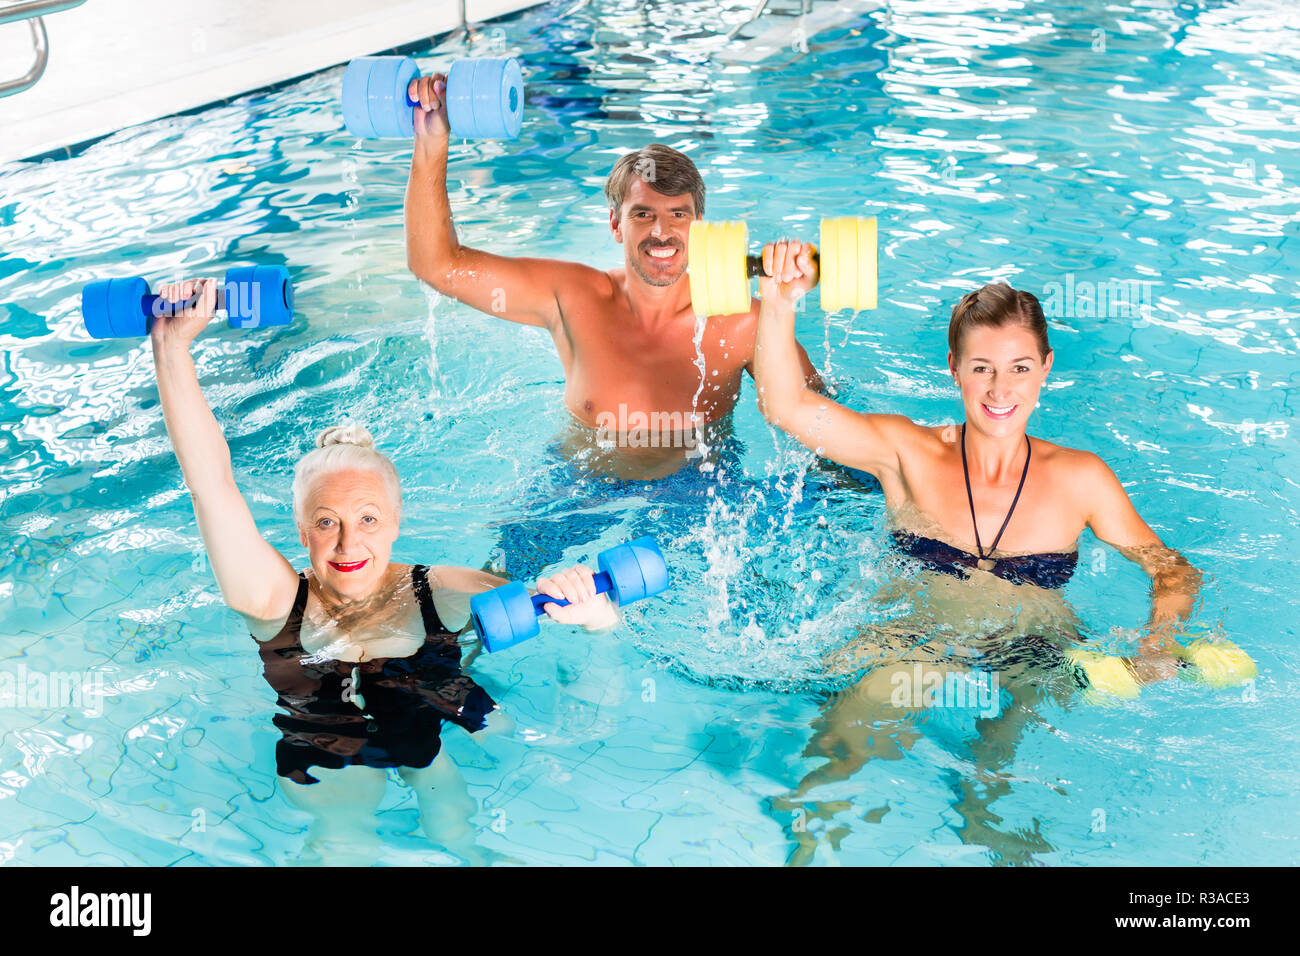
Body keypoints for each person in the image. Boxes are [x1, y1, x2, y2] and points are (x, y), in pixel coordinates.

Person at [750, 250, 1205, 863]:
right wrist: (780, 302)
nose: (1000, 389)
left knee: (1003, 759)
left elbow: (1171, 568)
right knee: (843, 749)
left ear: (1046, 368)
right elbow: (787, 407)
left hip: (1034, 647)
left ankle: (978, 813)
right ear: (955, 371)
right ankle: (807, 841)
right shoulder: (907, 453)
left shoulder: (1081, 479)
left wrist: (1158, 640)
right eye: (982, 368)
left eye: (1019, 368)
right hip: (918, 639)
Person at [150, 278, 617, 863]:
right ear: (301, 532)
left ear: (396, 522)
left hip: (432, 724)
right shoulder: (274, 601)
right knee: (342, 844)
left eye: (368, 518)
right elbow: (210, 484)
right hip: (325, 748)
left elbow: (551, 604)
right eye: (326, 522)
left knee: (462, 839)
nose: (348, 542)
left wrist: (595, 617)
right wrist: (171, 350)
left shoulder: (441, 590)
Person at [403, 76, 821, 479]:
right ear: (616, 225)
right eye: (643, 214)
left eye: (679, 214)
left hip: (700, 490)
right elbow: (438, 266)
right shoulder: (569, 296)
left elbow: (821, 417)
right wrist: (431, 142)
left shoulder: (746, 322)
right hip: (577, 487)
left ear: (700, 226)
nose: (662, 231)